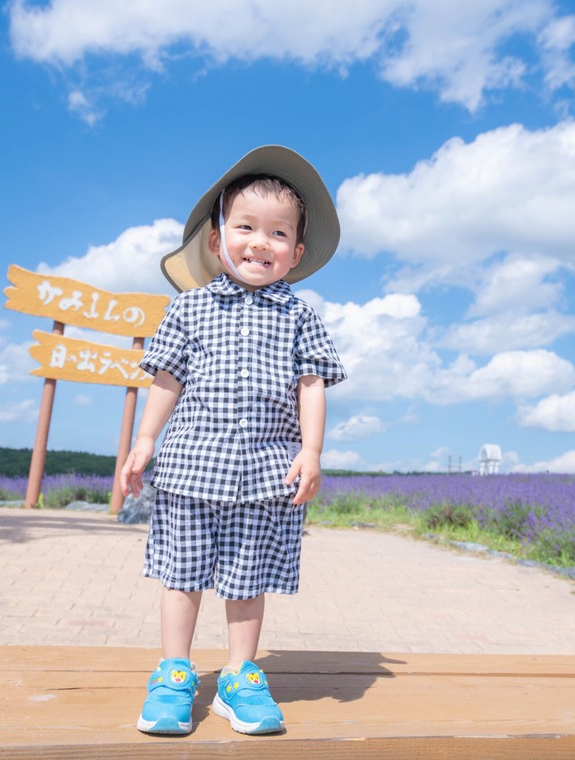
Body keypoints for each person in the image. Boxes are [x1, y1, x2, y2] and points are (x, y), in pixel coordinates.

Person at [120, 145, 346, 736]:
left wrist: (311, 451)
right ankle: (174, 674)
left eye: (278, 233)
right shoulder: (189, 309)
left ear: (296, 253)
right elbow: (167, 378)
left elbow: (312, 384)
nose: (260, 242)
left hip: (266, 472)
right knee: (182, 573)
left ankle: (240, 677)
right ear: (218, 241)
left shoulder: (299, 315)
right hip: (192, 466)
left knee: (247, 580)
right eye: (246, 227)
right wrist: (145, 439)